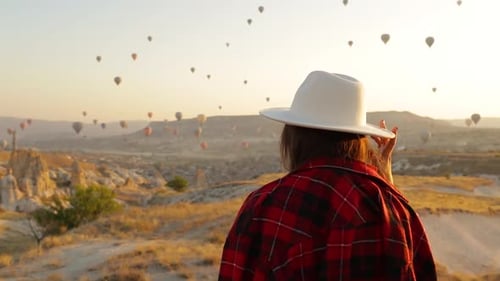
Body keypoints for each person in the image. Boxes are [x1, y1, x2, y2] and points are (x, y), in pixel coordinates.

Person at [218, 71, 437, 280]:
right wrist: (385, 184)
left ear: (293, 137)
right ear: (360, 139)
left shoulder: (263, 206)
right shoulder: (392, 210)